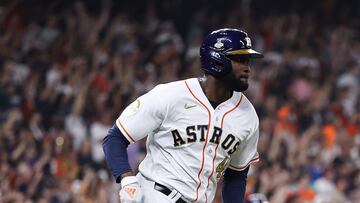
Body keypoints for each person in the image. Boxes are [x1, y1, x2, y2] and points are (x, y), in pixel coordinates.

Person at [103, 28, 263, 203]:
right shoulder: (171, 95)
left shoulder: (247, 115)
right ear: (217, 59)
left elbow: (236, 175)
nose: (247, 68)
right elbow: (115, 137)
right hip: (156, 195)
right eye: (240, 60)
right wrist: (127, 179)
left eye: (247, 61)